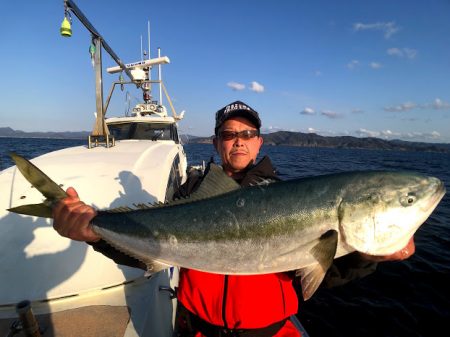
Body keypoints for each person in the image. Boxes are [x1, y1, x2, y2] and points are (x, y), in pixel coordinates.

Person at [53, 100, 415, 337]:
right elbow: (149, 248)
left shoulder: (288, 202)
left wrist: (370, 256)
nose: (238, 142)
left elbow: (327, 272)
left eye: (248, 134)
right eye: (229, 135)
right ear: (216, 144)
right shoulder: (187, 198)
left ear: (260, 143)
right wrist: (95, 234)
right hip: (198, 331)